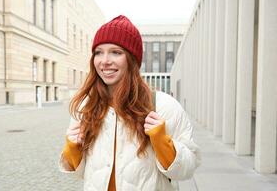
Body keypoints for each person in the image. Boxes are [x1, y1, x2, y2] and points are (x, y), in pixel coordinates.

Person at [58, 15, 200, 191]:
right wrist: (73, 148)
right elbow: (81, 173)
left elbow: (187, 169)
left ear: (132, 60)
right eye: (98, 52)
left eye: (116, 52)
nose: (104, 61)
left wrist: (162, 142)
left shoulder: (163, 105)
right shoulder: (86, 107)